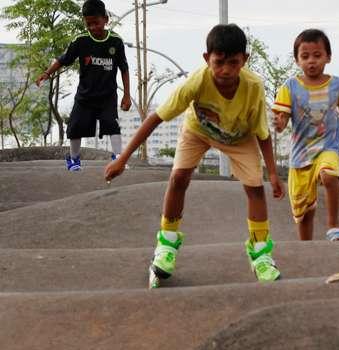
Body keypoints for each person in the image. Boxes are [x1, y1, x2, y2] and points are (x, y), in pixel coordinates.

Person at [104, 24, 284, 287]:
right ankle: (166, 245)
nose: (225, 70)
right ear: (206, 59)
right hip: (198, 131)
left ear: (244, 60)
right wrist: (122, 159)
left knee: (256, 190)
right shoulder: (197, 81)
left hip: (240, 137)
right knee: (178, 178)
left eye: (233, 63)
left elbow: (262, 132)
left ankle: (261, 255)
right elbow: (155, 119)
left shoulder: (254, 86)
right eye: (218, 62)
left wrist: (272, 173)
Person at [272, 29, 339, 241]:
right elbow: (282, 116)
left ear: (328, 56)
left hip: (328, 146)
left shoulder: (338, 85)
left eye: (317, 55)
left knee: (329, 175)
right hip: (301, 155)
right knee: (303, 211)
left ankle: (334, 224)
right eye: (305, 56)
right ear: (297, 60)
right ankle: (306, 248)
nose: (312, 61)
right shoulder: (289, 87)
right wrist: (280, 123)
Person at [36, 0, 131, 171]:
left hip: (107, 95)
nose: (93, 27)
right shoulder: (81, 41)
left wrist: (126, 95)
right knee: (76, 127)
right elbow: (63, 59)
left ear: (106, 20)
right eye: (89, 24)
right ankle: (74, 159)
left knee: (111, 124)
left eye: (96, 23)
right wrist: (47, 73)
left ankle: (118, 158)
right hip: (85, 96)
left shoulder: (116, 41)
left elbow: (124, 68)